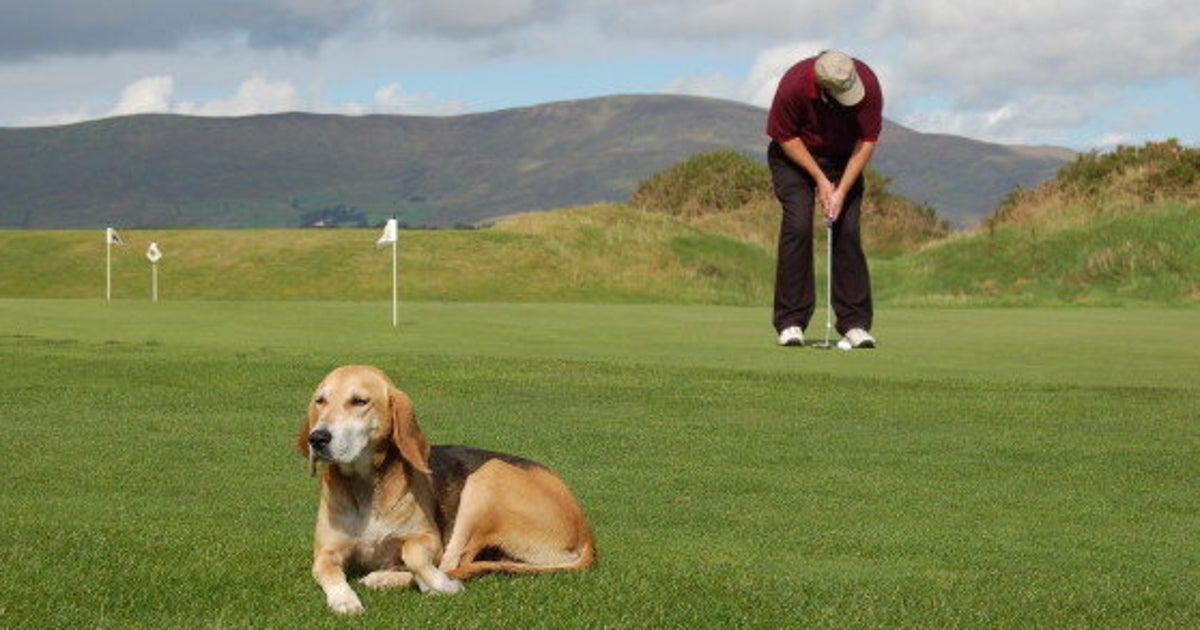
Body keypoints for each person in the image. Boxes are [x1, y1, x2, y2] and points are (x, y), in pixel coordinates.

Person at [765, 50, 881, 349]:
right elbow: (785, 138)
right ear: (822, 87)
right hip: (794, 159)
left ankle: (854, 324)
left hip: (845, 160)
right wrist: (819, 179)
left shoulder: (868, 82)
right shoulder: (794, 85)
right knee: (798, 225)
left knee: (848, 230)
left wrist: (840, 190)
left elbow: (867, 140)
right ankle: (790, 322)